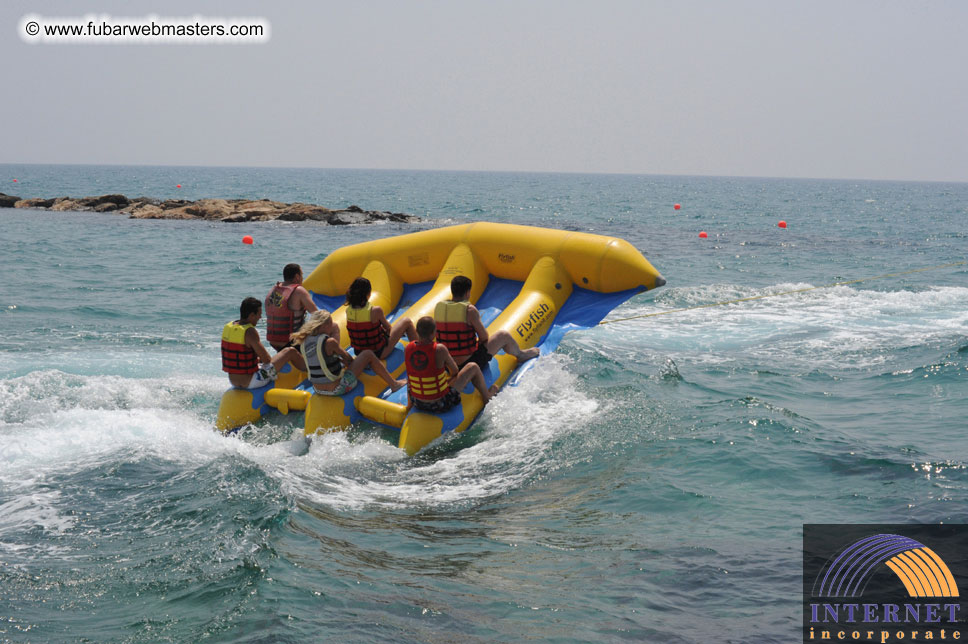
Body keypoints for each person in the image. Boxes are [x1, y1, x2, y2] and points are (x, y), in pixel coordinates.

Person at [434, 275, 540, 372]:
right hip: (468, 364)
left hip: (447, 364)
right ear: (467, 293)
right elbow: (484, 337)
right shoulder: (469, 310)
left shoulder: (439, 307)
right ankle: (520, 354)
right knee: (503, 335)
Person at [290, 310, 406, 396]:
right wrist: (358, 363)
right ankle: (394, 384)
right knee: (368, 354)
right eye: (330, 325)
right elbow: (349, 360)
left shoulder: (304, 341)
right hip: (336, 389)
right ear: (324, 326)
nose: (331, 327)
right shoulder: (330, 342)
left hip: (317, 389)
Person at [405, 316, 497, 414]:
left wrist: (410, 404)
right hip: (440, 403)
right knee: (472, 366)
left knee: (412, 372)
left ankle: (408, 405)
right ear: (433, 333)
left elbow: (410, 377)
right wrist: (449, 380)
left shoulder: (408, 348)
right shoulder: (439, 349)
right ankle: (487, 397)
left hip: (417, 402)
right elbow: (455, 370)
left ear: (417, 331)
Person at [222, 297, 300, 389]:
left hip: (233, 381)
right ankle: (309, 372)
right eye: (259, 314)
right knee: (290, 351)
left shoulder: (228, 327)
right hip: (253, 381)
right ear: (252, 315)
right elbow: (267, 359)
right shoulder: (250, 331)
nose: (260, 317)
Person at [344, 277, 416, 360]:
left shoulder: (348, 311)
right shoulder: (375, 310)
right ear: (368, 293)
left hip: (359, 353)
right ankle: (420, 349)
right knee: (406, 321)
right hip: (379, 352)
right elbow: (389, 329)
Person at [265, 263, 318, 352]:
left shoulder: (274, 289)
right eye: (302, 275)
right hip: (290, 342)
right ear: (297, 277)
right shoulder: (299, 291)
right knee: (329, 325)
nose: (302, 278)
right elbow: (317, 315)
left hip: (273, 341)